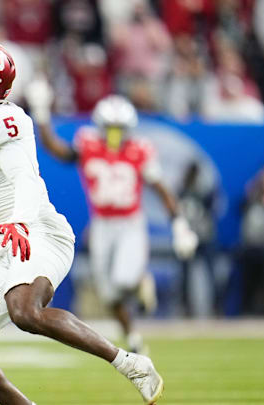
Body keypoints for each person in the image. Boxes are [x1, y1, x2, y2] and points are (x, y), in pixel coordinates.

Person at [0, 36, 164, 405]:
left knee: (25, 311)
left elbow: (24, 177)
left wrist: (18, 221)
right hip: (1, 244)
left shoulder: (4, 121)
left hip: (36, 232)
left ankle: (129, 362)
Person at [28, 81, 199, 353]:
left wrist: (179, 225)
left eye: (119, 129)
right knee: (109, 293)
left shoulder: (139, 150)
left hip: (129, 223)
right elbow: (56, 150)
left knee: (122, 281)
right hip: (102, 225)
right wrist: (41, 113)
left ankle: (140, 280)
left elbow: (161, 189)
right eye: (110, 128)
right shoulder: (89, 144)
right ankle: (132, 337)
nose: (114, 134)